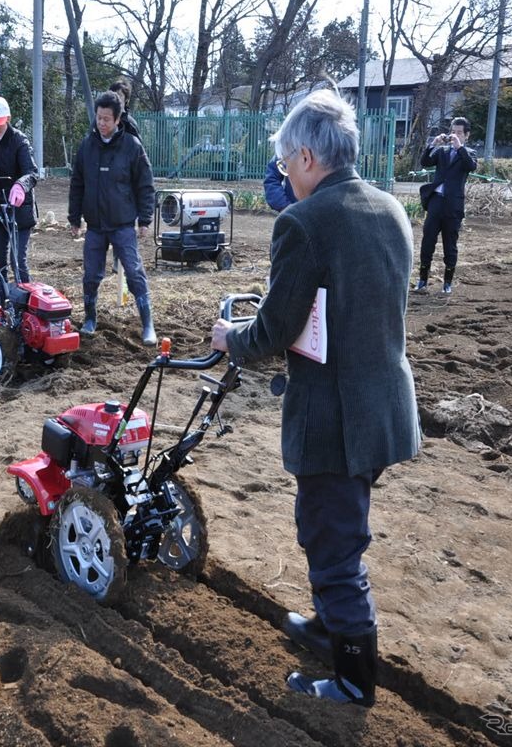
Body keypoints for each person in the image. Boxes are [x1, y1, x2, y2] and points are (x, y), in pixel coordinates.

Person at [210, 88, 421, 707]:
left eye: (283, 165)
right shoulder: (390, 208)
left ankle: (354, 682)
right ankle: (330, 624)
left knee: (332, 543)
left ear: (305, 156)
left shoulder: (304, 222)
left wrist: (230, 337)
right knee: (338, 527)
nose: (286, 178)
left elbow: (274, 329)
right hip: (385, 409)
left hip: (336, 419)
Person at [69, 91, 157, 345]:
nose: (102, 123)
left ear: (118, 119)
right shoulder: (87, 146)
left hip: (122, 225)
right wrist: (74, 218)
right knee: (91, 275)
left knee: (134, 271)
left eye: (107, 119)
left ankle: (148, 324)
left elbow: (145, 184)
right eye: (99, 118)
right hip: (95, 226)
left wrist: (145, 220)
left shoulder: (132, 146)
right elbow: (77, 183)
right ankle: (90, 318)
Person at [0, 96, 40, 299]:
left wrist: (20, 186)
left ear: (8, 119)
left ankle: (26, 302)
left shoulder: (19, 140)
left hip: (20, 208)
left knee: (18, 260)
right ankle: (1, 303)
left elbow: (32, 173)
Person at [414, 117, 477, 295]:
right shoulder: (441, 152)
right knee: (427, 241)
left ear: (466, 135)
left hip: (453, 205)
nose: (455, 135)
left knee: (450, 244)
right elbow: (425, 162)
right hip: (436, 201)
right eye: (453, 132)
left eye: (459, 132)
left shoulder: (469, 152)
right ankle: (422, 280)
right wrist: (432, 144)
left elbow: (470, 166)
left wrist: (459, 148)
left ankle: (447, 283)